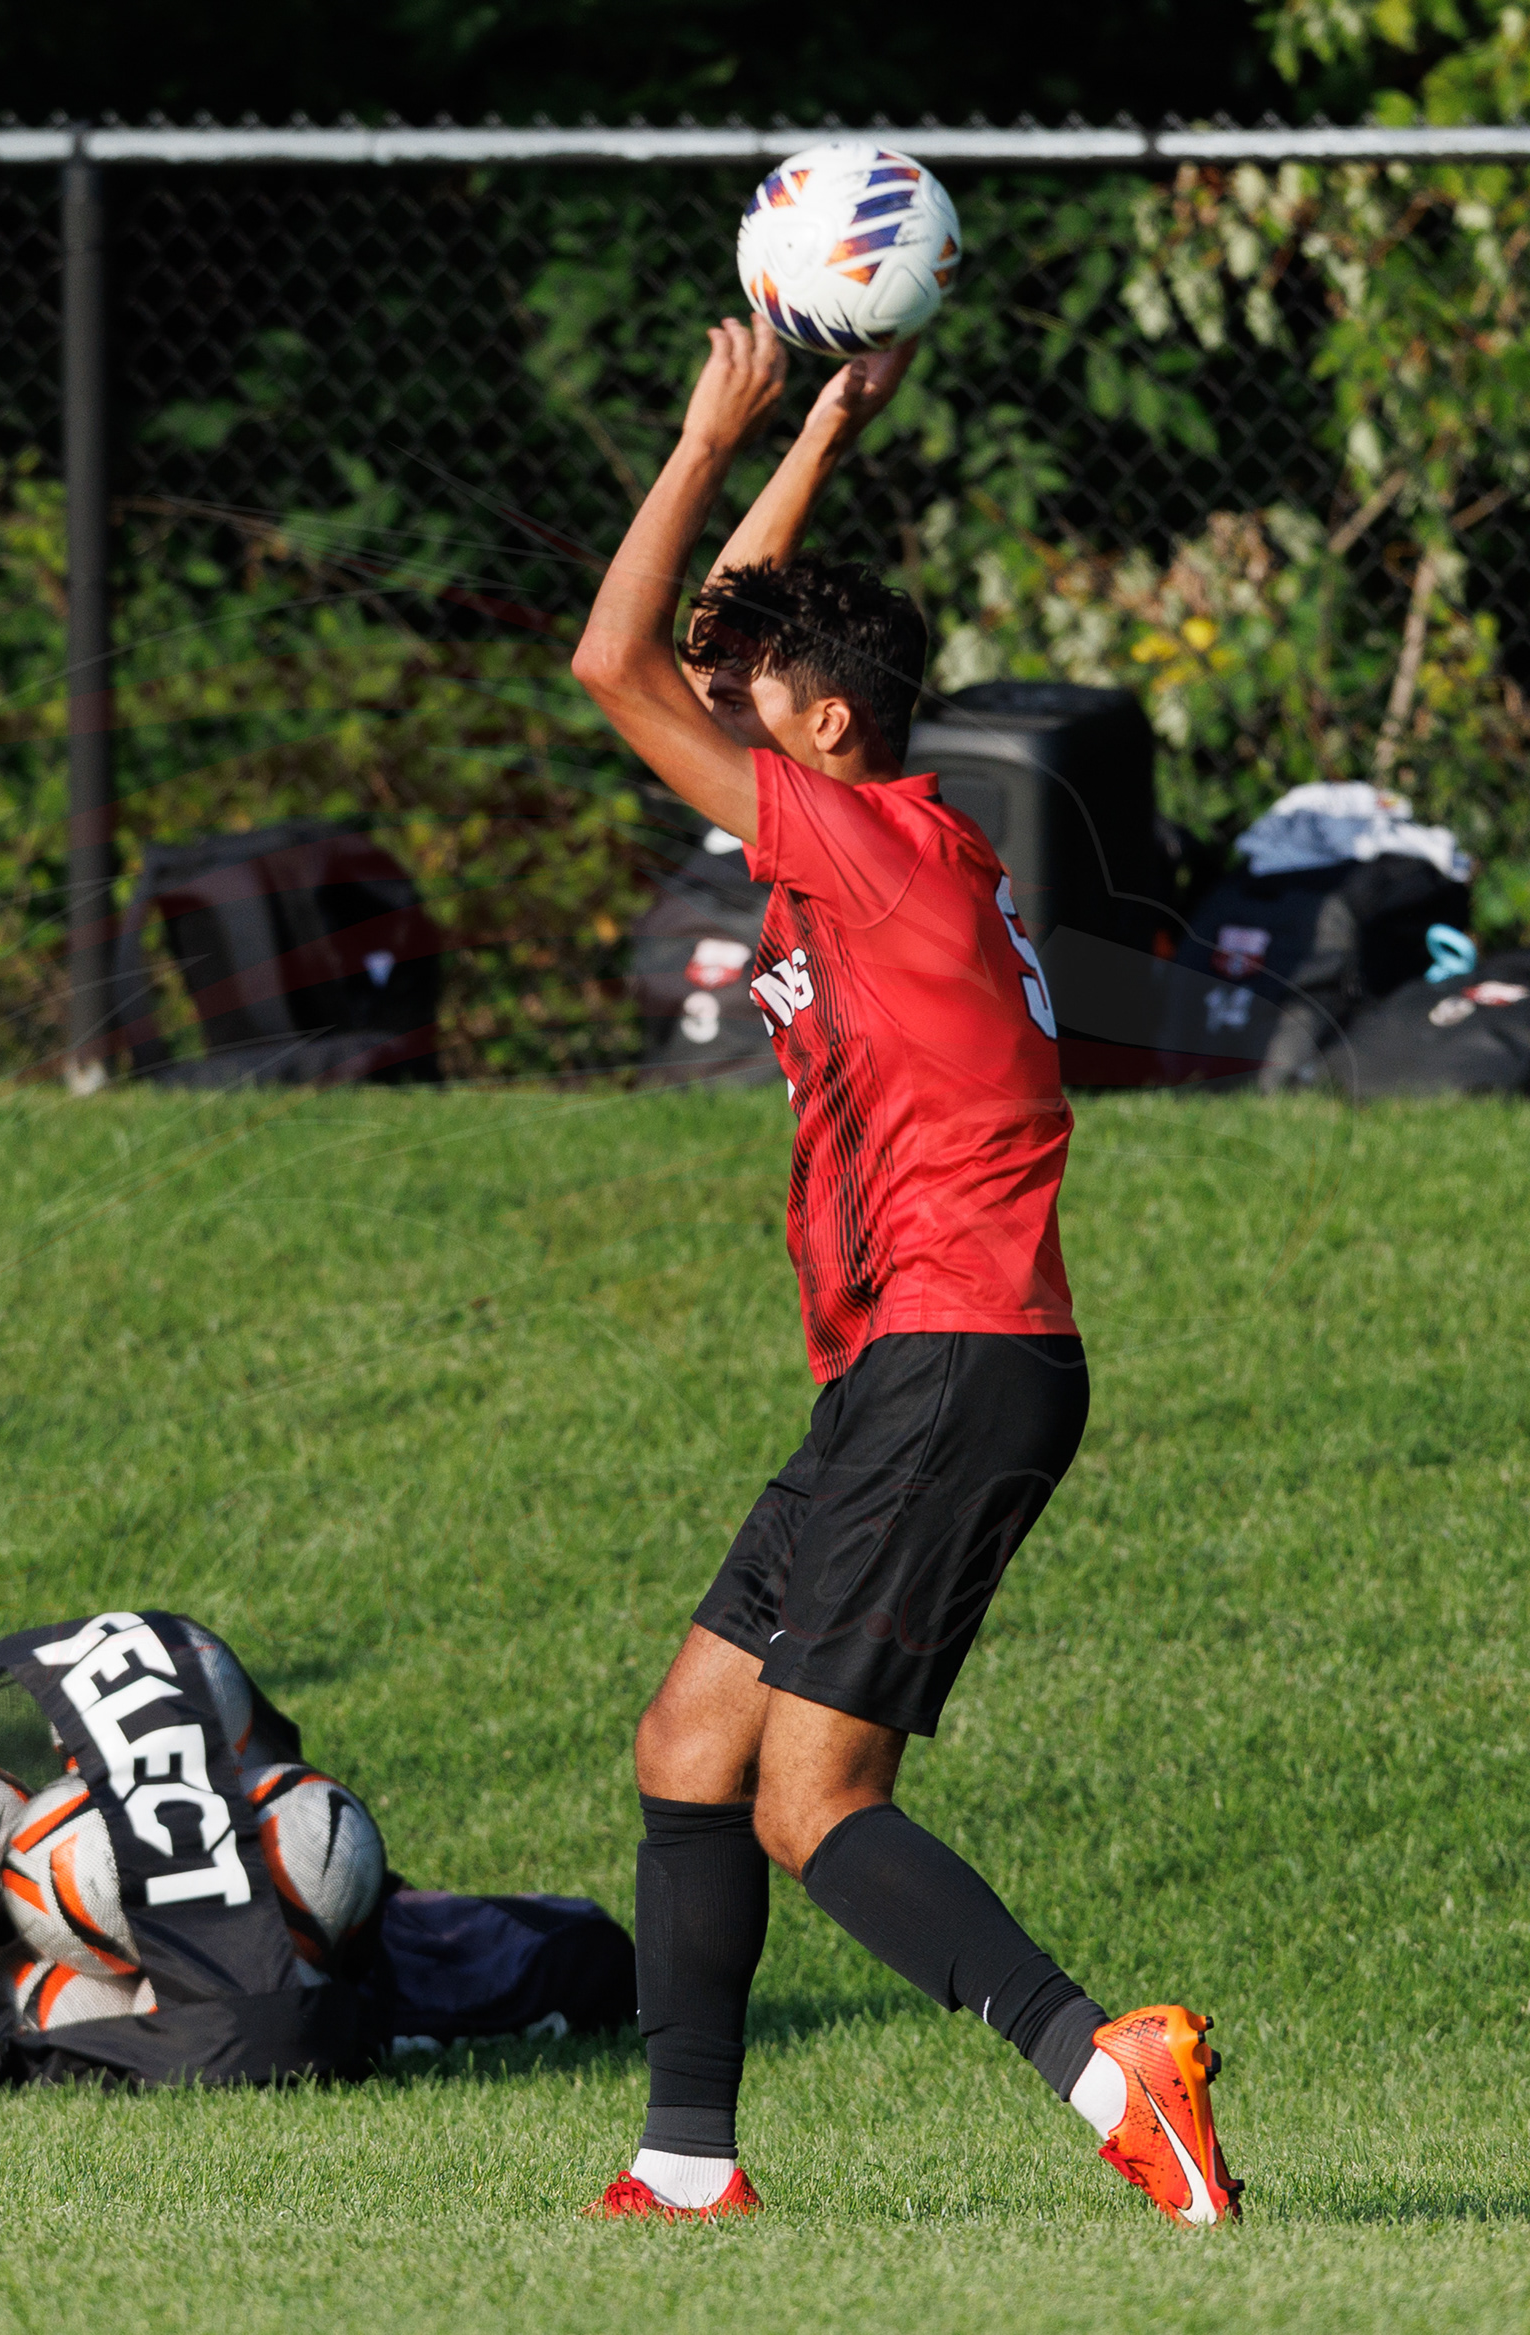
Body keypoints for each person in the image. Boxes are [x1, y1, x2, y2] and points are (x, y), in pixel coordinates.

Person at [569, 313, 1242, 2229]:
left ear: (826, 730)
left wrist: (707, 435)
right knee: (692, 1742)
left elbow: (619, 662)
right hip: (908, 1365)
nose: (723, 702)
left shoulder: (872, 849)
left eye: (757, 695)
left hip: (958, 1354)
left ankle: (1110, 2066)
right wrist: (821, 433)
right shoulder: (868, 834)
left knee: (812, 1802)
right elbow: (720, 640)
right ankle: (685, 2164)